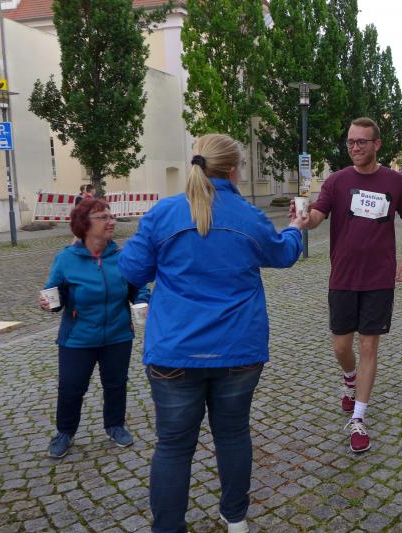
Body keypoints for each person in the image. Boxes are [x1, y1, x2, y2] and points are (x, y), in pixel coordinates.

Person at [118, 133, 308, 533]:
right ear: (234, 171)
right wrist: (295, 226)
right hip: (237, 349)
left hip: (174, 350)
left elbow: (132, 270)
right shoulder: (248, 216)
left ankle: (169, 527)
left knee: (173, 447)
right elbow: (284, 254)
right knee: (233, 434)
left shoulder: (162, 213)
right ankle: (235, 518)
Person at [296, 117, 402, 453]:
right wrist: (306, 218)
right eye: (351, 141)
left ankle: (359, 418)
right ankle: (349, 378)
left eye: (361, 141)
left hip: (379, 278)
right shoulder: (337, 181)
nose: (355, 147)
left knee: (368, 347)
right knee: (341, 347)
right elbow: (318, 215)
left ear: (377, 144)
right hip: (344, 277)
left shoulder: (394, 181)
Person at [40, 198, 150, 459]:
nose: (111, 221)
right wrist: (49, 304)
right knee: (71, 388)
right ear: (84, 224)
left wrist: (142, 300)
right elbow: (54, 294)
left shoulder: (122, 257)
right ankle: (65, 432)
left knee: (116, 384)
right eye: (103, 217)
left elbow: (138, 287)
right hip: (77, 338)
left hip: (118, 335)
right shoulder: (66, 259)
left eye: (111, 216)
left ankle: (115, 426)